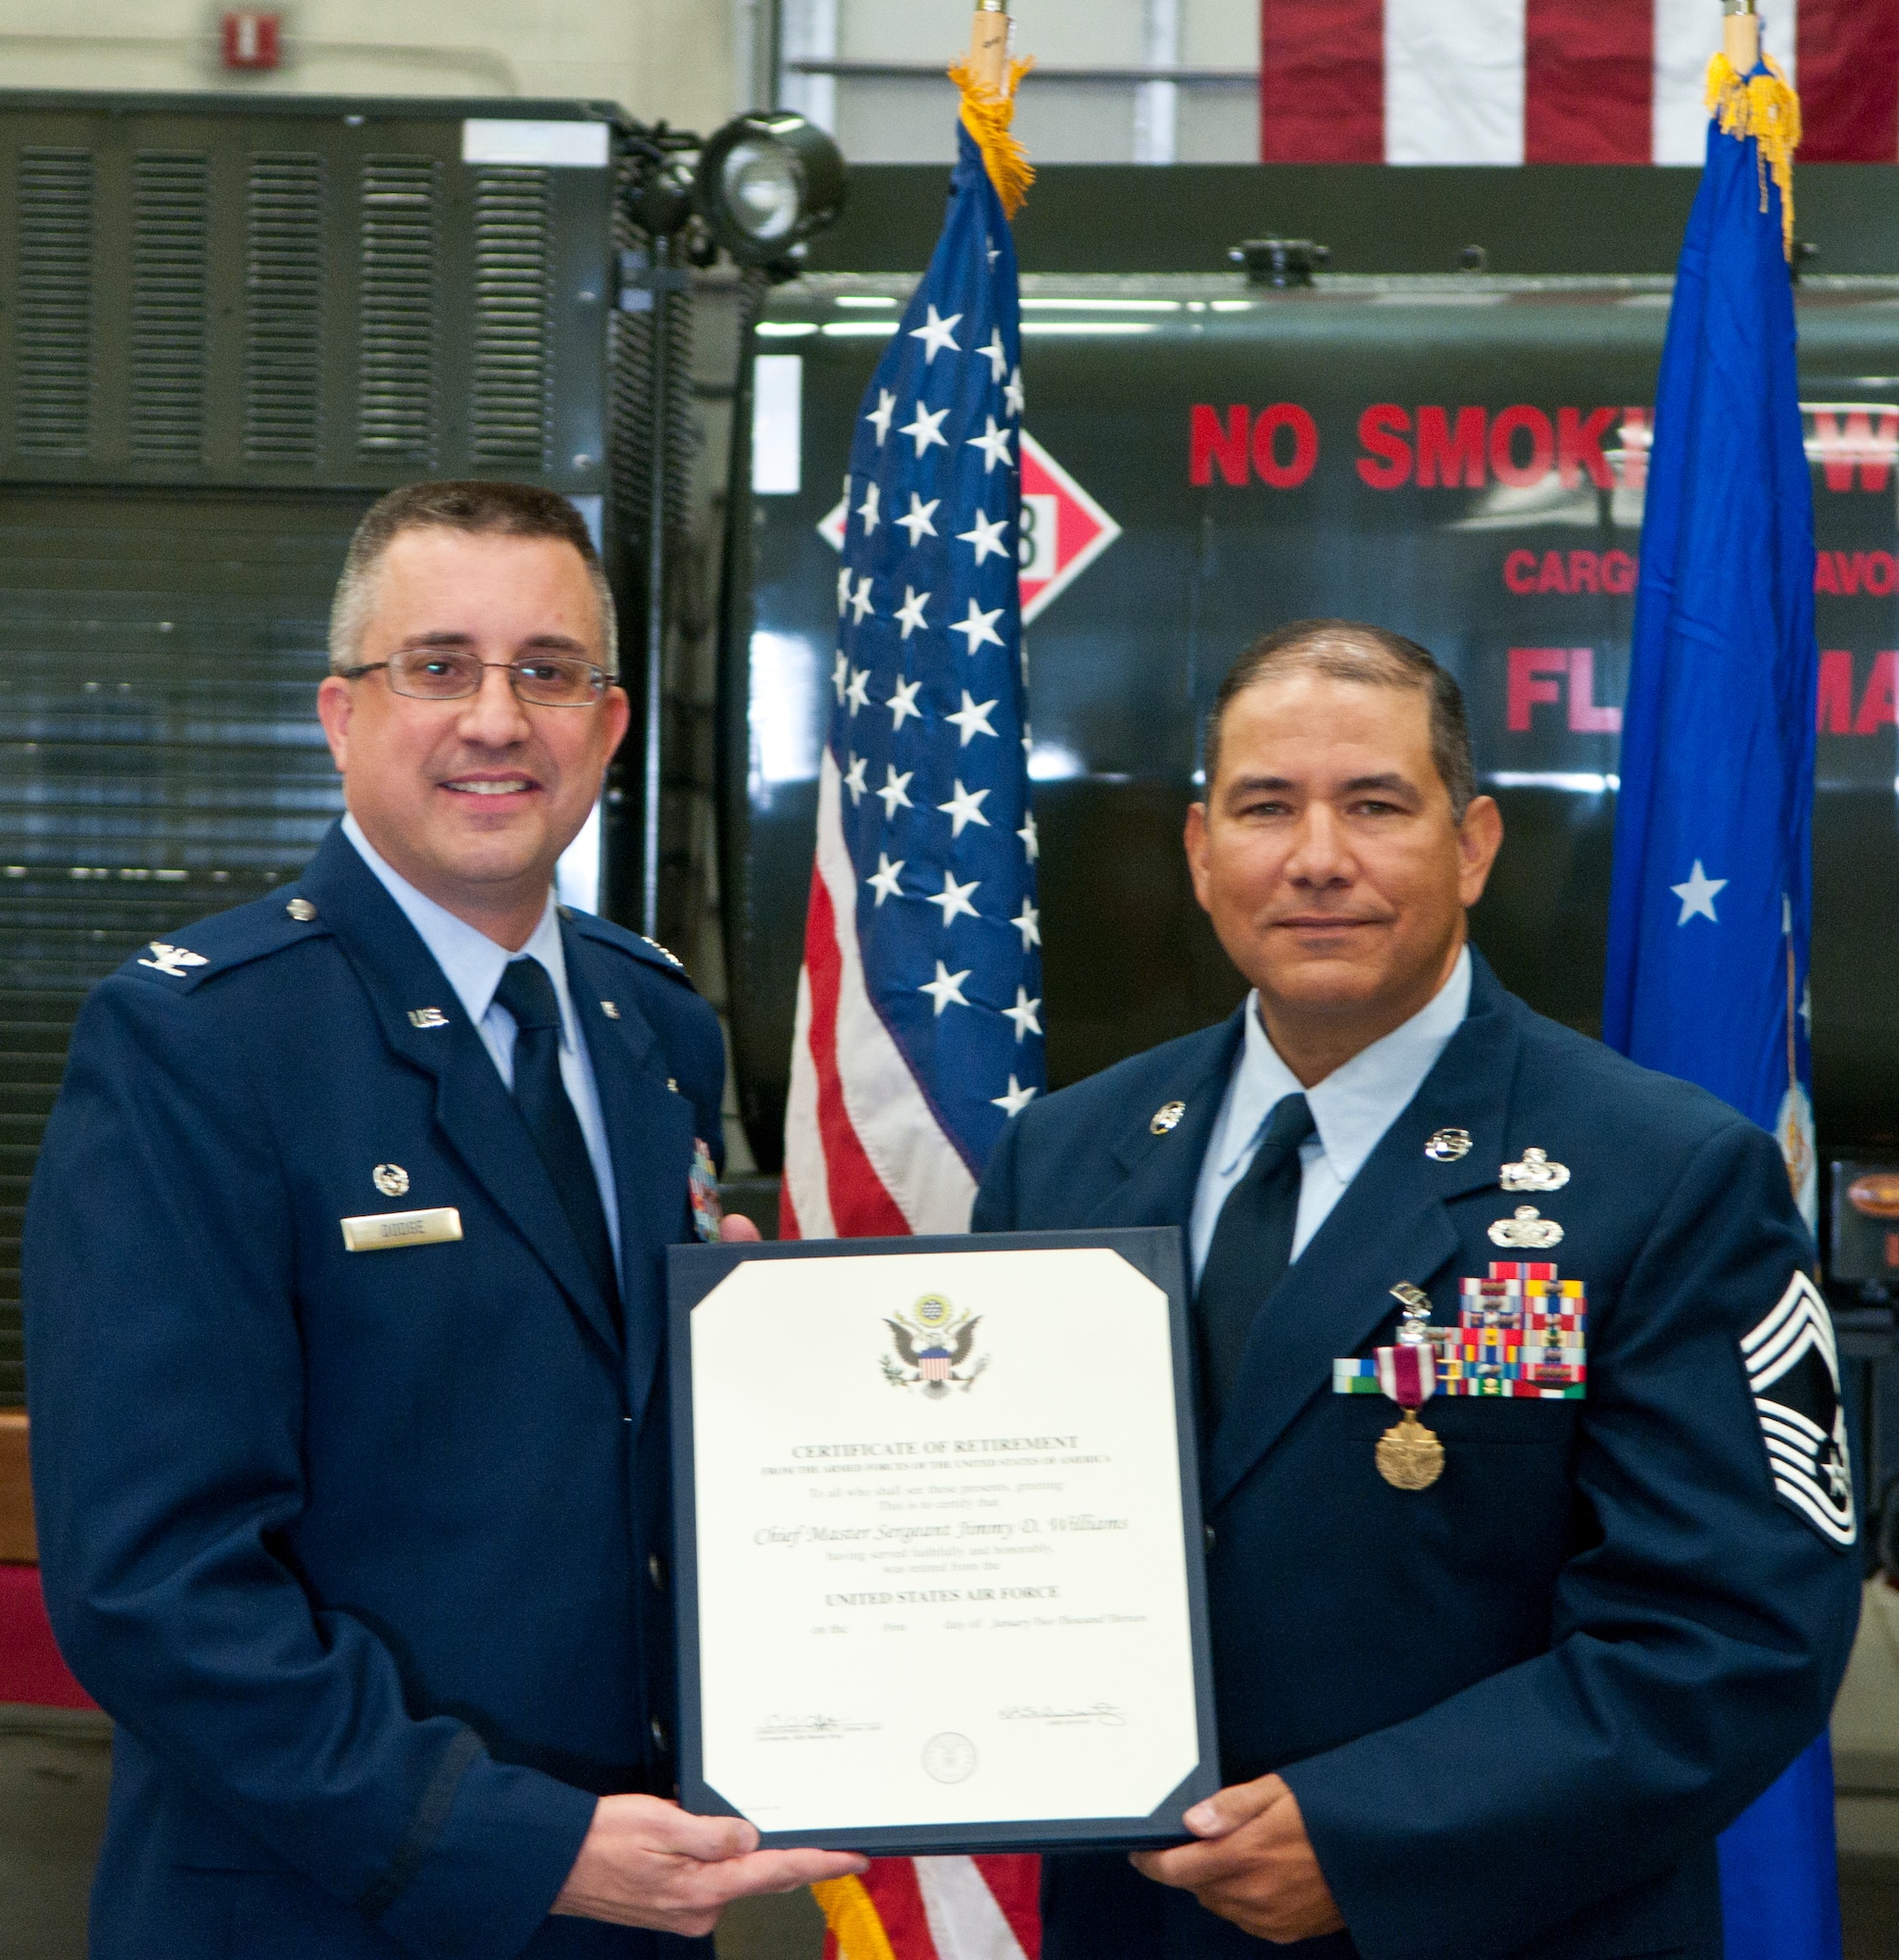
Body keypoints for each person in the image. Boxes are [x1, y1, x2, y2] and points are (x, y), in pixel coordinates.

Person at [24, 481, 863, 1958]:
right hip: (327, 1901)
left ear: (607, 729)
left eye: (547, 670)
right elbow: (152, 1582)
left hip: (636, 1894)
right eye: (437, 666)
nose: (495, 717)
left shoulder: (647, 1020)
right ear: (341, 716)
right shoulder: (199, 1043)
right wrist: (519, 1844)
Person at [973, 619, 1862, 1960]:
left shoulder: (1666, 1175)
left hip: (1500, 1926)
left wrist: (1369, 1831)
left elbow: (1733, 1633)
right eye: (1265, 807)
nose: (1316, 858)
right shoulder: (1068, 1153)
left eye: (1374, 805)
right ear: (1199, 851)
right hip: (1140, 1925)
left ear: (1473, 846)